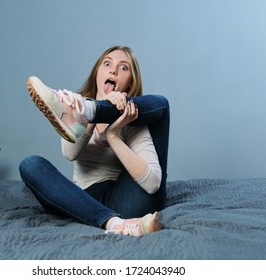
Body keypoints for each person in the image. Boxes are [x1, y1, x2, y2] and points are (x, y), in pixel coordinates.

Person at [19, 46, 170, 236]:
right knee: (31, 164)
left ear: (130, 83)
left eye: (124, 68)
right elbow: (70, 153)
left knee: (162, 104)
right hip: (82, 199)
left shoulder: (132, 120)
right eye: (107, 63)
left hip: (123, 200)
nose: (113, 70)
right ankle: (114, 224)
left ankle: (92, 110)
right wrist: (92, 117)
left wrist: (113, 135)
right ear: (97, 72)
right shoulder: (72, 107)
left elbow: (153, 183)